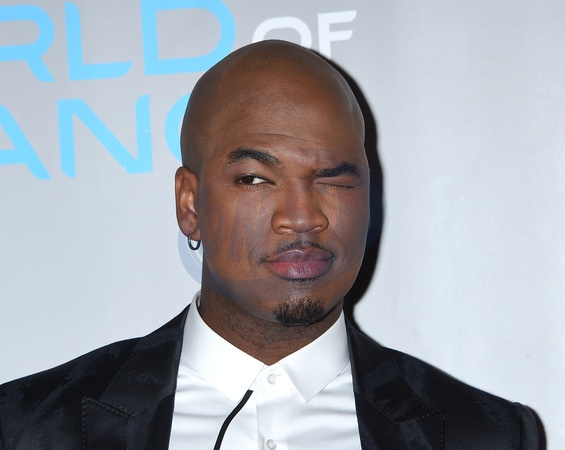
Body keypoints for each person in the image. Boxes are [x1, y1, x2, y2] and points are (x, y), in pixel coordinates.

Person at [0, 40, 541, 449]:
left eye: (334, 179)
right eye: (256, 179)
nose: (302, 218)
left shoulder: (486, 435)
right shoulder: (28, 427)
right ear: (190, 205)